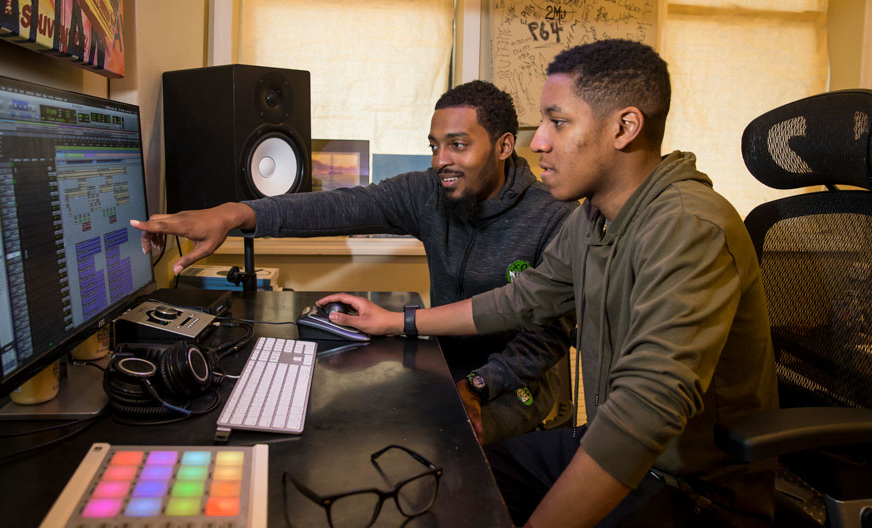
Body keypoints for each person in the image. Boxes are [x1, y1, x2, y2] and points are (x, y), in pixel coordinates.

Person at [317, 39, 779, 527]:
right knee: (446, 480)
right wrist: (398, 321)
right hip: (611, 444)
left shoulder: (689, 227)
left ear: (625, 127)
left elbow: (647, 408)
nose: (537, 143)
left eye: (558, 123)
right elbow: (522, 299)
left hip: (693, 489)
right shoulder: (594, 219)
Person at [131, 80, 579, 444]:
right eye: (434, 145)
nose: (442, 160)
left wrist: (481, 385)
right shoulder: (430, 192)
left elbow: (545, 341)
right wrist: (236, 214)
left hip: (514, 381)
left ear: (503, 147)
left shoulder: (553, 216)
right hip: (443, 357)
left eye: (458, 145)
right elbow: (340, 207)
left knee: (459, 444)